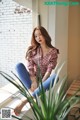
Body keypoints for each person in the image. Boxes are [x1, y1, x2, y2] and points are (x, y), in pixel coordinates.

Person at [14, 26, 59, 115]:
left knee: (55, 77)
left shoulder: (53, 52)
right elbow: (30, 67)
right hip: (32, 79)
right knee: (18, 66)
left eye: (40, 35)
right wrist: (34, 81)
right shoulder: (33, 50)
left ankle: (25, 100)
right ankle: (33, 93)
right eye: (36, 36)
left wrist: (40, 83)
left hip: (44, 80)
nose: (38, 38)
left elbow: (49, 71)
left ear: (45, 35)